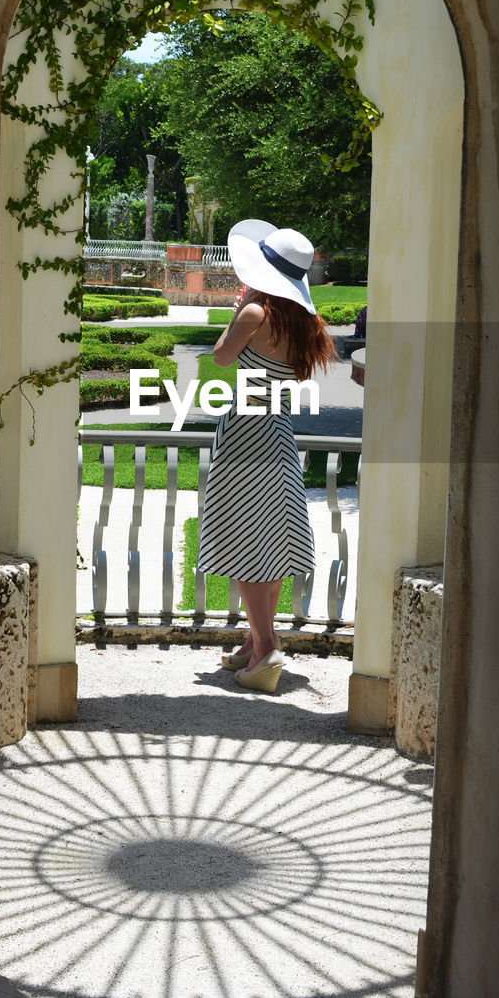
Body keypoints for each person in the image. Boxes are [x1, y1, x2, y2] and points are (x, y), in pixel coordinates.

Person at [197, 219, 334, 692]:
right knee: (269, 541)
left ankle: (265, 650)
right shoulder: (305, 324)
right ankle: (257, 642)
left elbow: (219, 357)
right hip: (277, 430)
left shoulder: (255, 314)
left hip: (244, 433)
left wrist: (240, 310)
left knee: (247, 541)